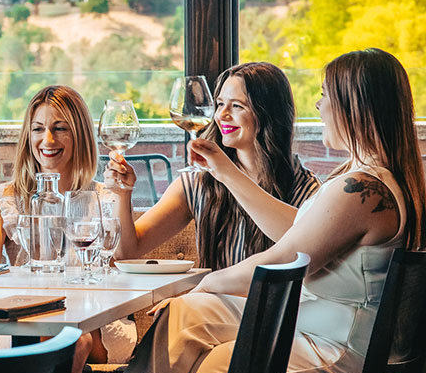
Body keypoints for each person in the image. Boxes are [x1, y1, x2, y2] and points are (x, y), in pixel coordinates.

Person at [98, 48, 426, 373]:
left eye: (325, 96)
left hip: (338, 358)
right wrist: (225, 171)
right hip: (314, 331)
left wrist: (201, 283)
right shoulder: (374, 181)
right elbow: (295, 232)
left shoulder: (361, 190)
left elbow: (282, 258)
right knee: (183, 314)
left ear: (355, 107)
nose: (318, 106)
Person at [0, 84, 134, 371]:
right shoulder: (6, 198)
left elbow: (126, 258)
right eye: (38, 129)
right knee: (51, 333)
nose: (47, 139)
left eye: (60, 128)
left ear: (79, 135)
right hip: (27, 316)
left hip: (96, 321)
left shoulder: (105, 197)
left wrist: (124, 196)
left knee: (69, 336)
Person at [106, 62, 320, 270]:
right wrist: (122, 194)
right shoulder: (198, 183)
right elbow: (127, 252)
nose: (221, 115)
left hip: (264, 296)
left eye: (237, 106)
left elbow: (307, 244)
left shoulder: (305, 188)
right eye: (219, 104)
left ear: (269, 113)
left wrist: (227, 173)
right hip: (210, 294)